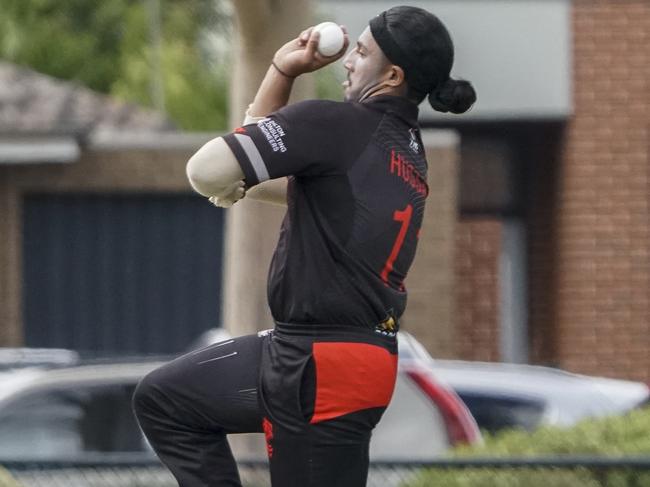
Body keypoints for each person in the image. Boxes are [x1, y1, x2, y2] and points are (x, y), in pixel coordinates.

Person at [133, 6, 476, 487]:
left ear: (393, 74)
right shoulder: (405, 150)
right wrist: (281, 72)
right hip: (321, 353)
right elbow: (268, 172)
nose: (349, 62)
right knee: (166, 399)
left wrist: (237, 173)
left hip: (322, 362)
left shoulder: (337, 126)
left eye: (361, 51)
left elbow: (206, 170)